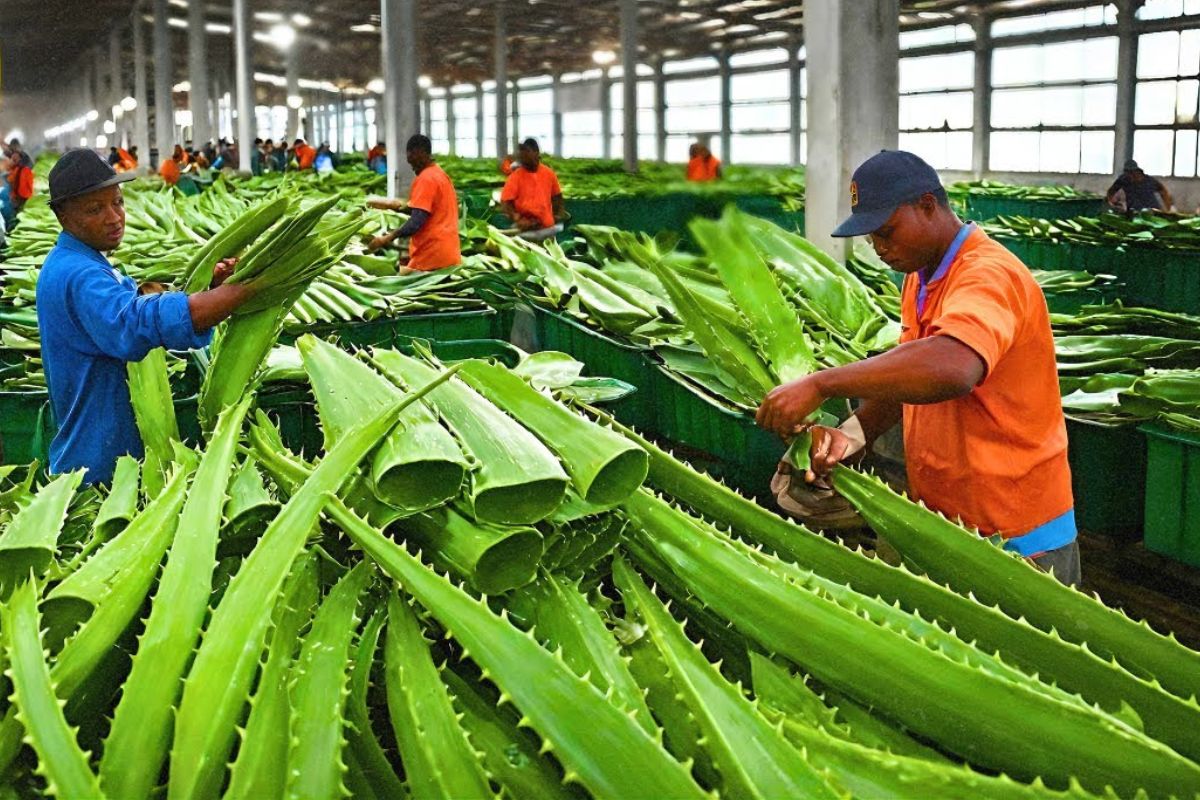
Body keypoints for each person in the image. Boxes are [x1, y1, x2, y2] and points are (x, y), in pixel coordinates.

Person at [755, 150, 1080, 585]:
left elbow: (953, 366)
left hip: (1014, 533)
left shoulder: (988, 274)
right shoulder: (920, 277)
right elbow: (908, 376)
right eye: (872, 239)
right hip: (947, 522)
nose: (880, 249)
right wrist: (851, 437)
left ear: (928, 205)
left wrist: (821, 384)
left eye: (887, 232)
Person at [36, 148, 257, 484]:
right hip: (100, 465)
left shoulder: (86, 262)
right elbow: (131, 323)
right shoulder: (79, 275)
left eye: (118, 202)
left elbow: (132, 304)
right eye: (95, 209)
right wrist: (242, 292)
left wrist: (209, 290)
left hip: (103, 445)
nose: (114, 217)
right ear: (63, 216)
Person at [367, 134, 461, 275]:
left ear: (420, 153)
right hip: (448, 253)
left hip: (431, 256)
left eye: (411, 157)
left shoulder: (426, 179)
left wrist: (386, 238)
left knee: (399, 288)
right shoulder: (440, 174)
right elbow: (426, 211)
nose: (410, 163)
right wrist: (396, 207)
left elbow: (416, 222)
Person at [498, 138, 566, 241]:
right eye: (522, 153)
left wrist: (556, 215)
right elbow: (505, 202)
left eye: (527, 152)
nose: (523, 156)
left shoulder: (549, 173)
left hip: (546, 227)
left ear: (536, 152)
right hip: (525, 228)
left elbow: (557, 197)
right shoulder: (515, 176)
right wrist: (517, 218)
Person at [1106, 159, 1173, 212]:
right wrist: (1111, 203)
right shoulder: (1124, 180)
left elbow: (1163, 191)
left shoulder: (1149, 181)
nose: (1131, 176)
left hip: (1151, 212)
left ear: (1138, 171)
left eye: (1133, 173)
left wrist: (1168, 208)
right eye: (1128, 173)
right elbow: (1111, 191)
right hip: (1133, 213)